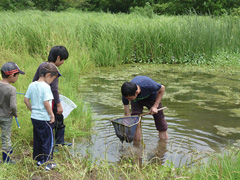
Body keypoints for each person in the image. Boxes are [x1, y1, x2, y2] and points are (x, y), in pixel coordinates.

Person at [24, 63, 61, 170]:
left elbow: (26, 100)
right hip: (44, 119)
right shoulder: (46, 87)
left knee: (38, 138)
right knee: (48, 140)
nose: (52, 82)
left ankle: (39, 160)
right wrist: (52, 115)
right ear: (48, 75)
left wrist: (32, 109)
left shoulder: (32, 85)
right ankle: (48, 163)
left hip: (34, 117)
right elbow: (46, 103)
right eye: (53, 79)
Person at [32, 46, 72, 146]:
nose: (63, 62)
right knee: (57, 119)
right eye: (63, 60)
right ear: (58, 57)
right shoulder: (54, 69)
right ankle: (58, 143)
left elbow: (34, 81)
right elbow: (54, 89)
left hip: (40, 99)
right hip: (49, 100)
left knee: (46, 119)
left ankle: (49, 141)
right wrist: (58, 105)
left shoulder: (42, 65)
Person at [121, 75, 168, 141]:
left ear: (136, 93)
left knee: (160, 122)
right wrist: (127, 121)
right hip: (136, 100)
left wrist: (155, 106)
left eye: (130, 99)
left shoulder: (149, 85)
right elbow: (126, 115)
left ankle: (163, 146)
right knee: (136, 121)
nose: (128, 100)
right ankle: (137, 147)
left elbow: (162, 88)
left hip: (152, 97)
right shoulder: (126, 96)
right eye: (127, 99)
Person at [0, 62, 25, 163]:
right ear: (11, 75)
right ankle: (7, 160)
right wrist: (15, 113)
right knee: (6, 137)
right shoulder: (12, 89)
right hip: (6, 117)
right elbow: (13, 106)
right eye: (17, 75)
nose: (17, 78)